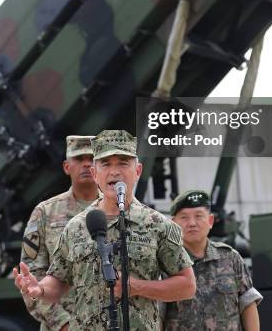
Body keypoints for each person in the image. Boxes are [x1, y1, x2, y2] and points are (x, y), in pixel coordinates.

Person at [14, 130, 196, 331]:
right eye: (106, 164)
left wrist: (136, 287)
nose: (115, 171)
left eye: (123, 163)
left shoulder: (158, 224)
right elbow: (58, 281)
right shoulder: (75, 226)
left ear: (137, 171)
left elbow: (187, 285)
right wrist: (38, 289)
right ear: (95, 173)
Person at [20, 135, 98, 331]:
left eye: (92, 159)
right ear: (66, 167)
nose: (87, 164)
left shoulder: (118, 210)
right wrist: (63, 324)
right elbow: (32, 279)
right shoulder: (45, 212)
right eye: (79, 159)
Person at [162, 189, 262, 331]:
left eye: (198, 216)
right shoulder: (166, 263)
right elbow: (157, 315)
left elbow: (247, 304)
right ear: (173, 224)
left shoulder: (230, 258)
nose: (192, 223)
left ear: (210, 221)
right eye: (184, 217)